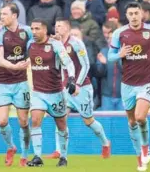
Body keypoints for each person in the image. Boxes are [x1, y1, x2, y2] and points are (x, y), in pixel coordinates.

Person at [108, 2, 150, 172]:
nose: (134, 16)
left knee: (140, 117)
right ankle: (139, 157)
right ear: (127, 16)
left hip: (147, 80)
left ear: (142, 14)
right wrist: (120, 54)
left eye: (136, 13)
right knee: (132, 121)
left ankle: (146, 146)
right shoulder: (119, 33)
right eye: (130, 13)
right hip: (127, 84)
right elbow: (110, 56)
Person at [46, 18, 111, 159]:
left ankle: (105, 143)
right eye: (56, 26)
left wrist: (77, 84)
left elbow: (86, 65)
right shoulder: (55, 44)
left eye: (60, 26)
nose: (57, 28)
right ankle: (59, 151)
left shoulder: (76, 43)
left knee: (88, 121)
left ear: (67, 28)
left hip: (82, 88)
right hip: (64, 88)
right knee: (60, 119)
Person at [26, 18, 77, 167]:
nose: (34, 32)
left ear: (45, 30)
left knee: (61, 125)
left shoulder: (55, 44)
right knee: (35, 121)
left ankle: (64, 157)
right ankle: (37, 157)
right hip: (38, 92)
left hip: (56, 93)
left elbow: (68, 62)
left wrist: (72, 79)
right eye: (32, 29)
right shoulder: (30, 44)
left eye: (37, 29)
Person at [0, 3, 32, 167]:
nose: (2, 17)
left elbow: (36, 48)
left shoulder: (27, 31)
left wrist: (28, 60)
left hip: (21, 83)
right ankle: (11, 147)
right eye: (1, 14)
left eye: (5, 14)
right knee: (1, 121)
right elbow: (0, 59)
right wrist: (16, 66)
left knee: (23, 121)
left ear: (15, 15)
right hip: (2, 82)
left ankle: (24, 154)